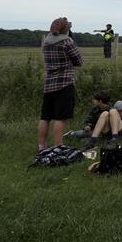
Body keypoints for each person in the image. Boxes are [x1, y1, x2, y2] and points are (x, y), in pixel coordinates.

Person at [38, 17, 83, 153]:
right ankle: (58, 147)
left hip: (49, 84)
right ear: (66, 29)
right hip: (64, 83)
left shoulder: (46, 41)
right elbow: (79, 61)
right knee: (60, 118)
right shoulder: (67, 41)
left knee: (45, 117)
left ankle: (42, 147)